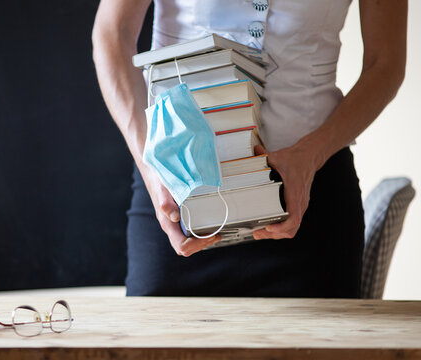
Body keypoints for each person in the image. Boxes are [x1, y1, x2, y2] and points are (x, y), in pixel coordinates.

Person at [92, 0, 407, 297]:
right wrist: (152, 167)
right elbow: (112, 34)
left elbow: (386, 62)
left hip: (309, 202)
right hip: (177, 195)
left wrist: (309, 157)